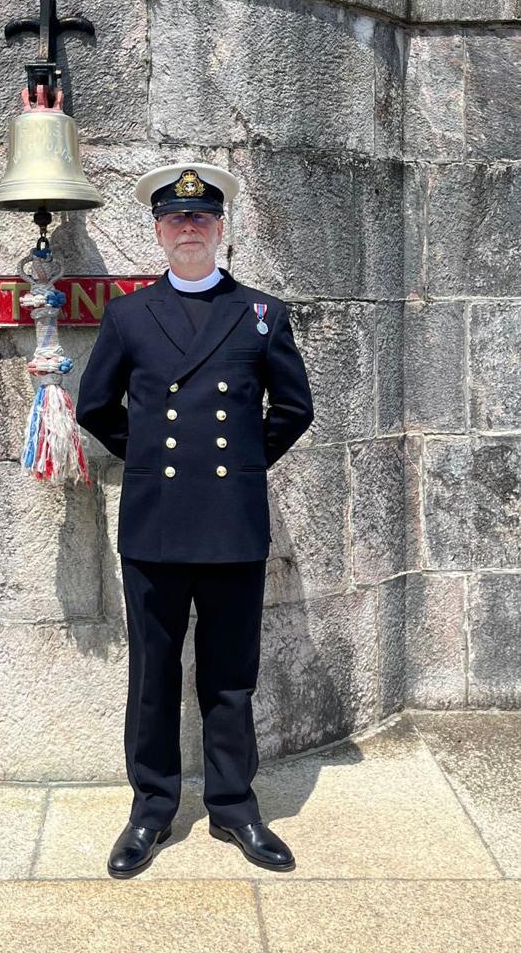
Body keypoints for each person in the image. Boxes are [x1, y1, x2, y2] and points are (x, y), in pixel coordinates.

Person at [75, 163, 314, 879]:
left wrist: (238, 466)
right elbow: (95, 408)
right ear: (157, 231)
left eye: (200, 219)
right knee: (152, 675)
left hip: (231, 522)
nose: (188, 229)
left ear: (219, 228)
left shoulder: (262, 312)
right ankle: (150, 810)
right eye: (176, 220)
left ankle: (234, 806)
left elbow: (293, 411)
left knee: (229, 674)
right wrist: (149, 459)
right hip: (154, 522)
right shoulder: (126, 315)